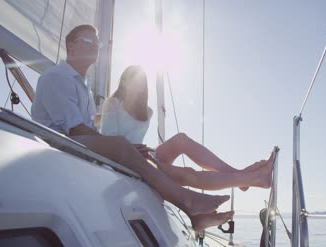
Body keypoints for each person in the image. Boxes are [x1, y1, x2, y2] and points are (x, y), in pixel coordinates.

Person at [31, 24, 232, 231]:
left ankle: (197, 211)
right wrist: (120, 146)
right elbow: (75, 129)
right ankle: (189, 200)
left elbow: (87, 130)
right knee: (124, 147)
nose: (96, 47)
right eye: (89, 41)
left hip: (76, 146)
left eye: (98, 43)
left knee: (146, 155)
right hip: (55, 148)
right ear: (71, 47)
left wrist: (125, 148)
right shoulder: (56, 77)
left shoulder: (83, 85)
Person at [100, 65, 275, 191]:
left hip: (142, 155)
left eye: (141, 81)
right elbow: (108, 140)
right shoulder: (113, 104)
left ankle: (238, 175)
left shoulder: (148, 111)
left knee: (181, 139)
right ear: (123, 81)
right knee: (188, 173)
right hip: (121, 160)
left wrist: (145, 152)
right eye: (131, 79)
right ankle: (246, 178)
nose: (136, 84)